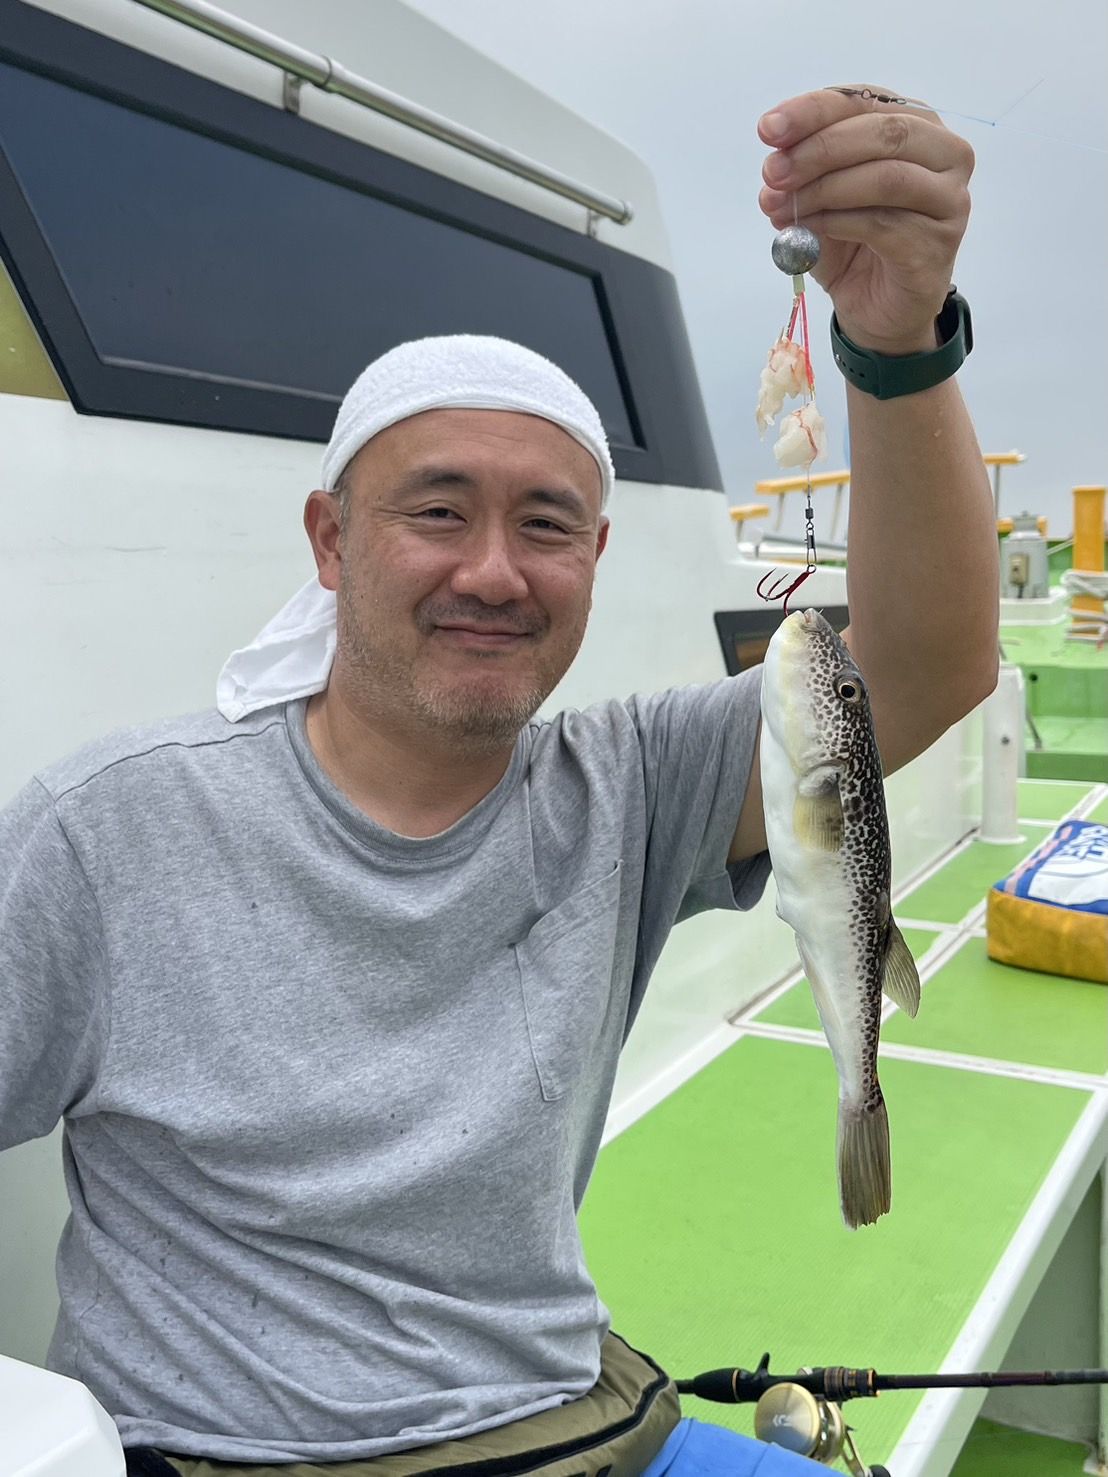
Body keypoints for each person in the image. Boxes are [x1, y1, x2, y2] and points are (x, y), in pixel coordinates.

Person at [0, 87, 998, 1476]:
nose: (492, 571)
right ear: (330, 540)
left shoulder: (627, 785)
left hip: (580, 1426)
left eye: (545, 525)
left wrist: (896, 342)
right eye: (437, 511)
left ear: (595, 558)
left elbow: (924, 669)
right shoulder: (106, 830)